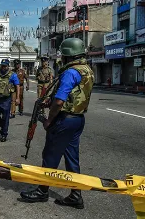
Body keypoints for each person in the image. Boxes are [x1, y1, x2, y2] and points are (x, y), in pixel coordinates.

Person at [20, 38, 94, 209]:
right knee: (71, 158)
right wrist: (49, 101)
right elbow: (73, 95)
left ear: (68, 55)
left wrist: (49, 120)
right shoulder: (87, 70)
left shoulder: (70, 72)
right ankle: (75, 195)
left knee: (50, 155)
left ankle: (42, 191)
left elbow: (60, 102)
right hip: (78, 119)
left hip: (64, 120)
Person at [0, 59, 20, 142]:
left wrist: (18, 98)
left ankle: (4, 134)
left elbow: (17, 86)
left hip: (6, 100)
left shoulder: (12, 75)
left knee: (5, 118)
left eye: (5, 66)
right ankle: (4, 126)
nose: (3, 67)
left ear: (8, 66)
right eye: (2, 65)